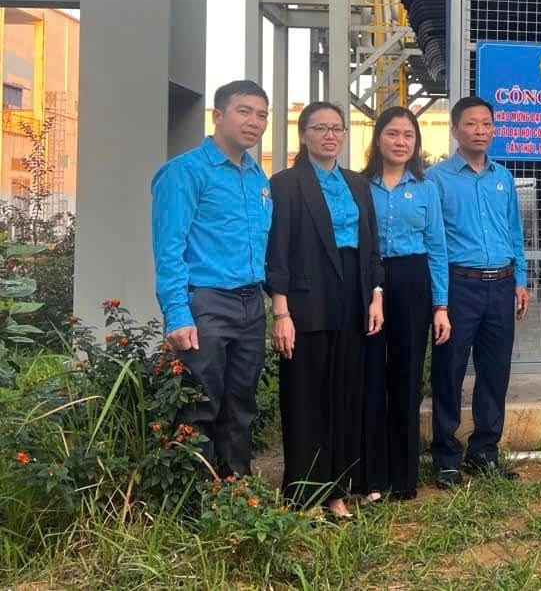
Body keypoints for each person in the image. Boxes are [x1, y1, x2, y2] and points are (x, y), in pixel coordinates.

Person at [266, 101, 384, 516]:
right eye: (320, 128)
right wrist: (281, 312)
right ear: (304, 135)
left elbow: (372, 247)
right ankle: (304, 494)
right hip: (306, 302)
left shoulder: (357, 184)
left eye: (337, 128)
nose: (330, 135)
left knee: (343, 397)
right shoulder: (285, 183)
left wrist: (376, 295)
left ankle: (336, 490)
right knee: (305, 399)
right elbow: (277, 250)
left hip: (354, 299)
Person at [151, 80, 272, 480]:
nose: (254, 122)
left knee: (241, 401)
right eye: (244, 111)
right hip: (206, 303)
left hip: (251, 303)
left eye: (262, 115)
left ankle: (235, 486)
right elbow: (169, 248)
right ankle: (195, 495)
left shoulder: (258, 178)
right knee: (201, 401)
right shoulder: (184, 173)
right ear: (218, 115)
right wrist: (177, 314)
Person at [426, 96, 532, 490]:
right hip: (460, 285)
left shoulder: (503, 178)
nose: (480, 131)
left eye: (487, 124)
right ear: (455, 130)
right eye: (472, 124)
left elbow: (515, 233)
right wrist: (440, 300)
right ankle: (446, 457)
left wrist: (521, 280)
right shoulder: (437, 179)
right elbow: (435, 243)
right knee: (449, 372)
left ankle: (485, 451)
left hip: (501, 285)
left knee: (495, 372)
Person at [362, 107, 451, 502]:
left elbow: (437, 249)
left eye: (408, 136)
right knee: (370, 378)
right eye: (393, 134)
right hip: (369, 285)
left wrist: (441, 306)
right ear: (378, 138)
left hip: (414, 284)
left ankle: (404, 476)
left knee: (407, 376)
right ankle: (370, 473)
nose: (401, 142)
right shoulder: (360, 186)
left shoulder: (426, 188)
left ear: (416, 143)